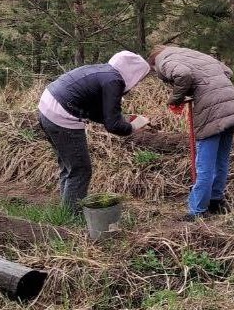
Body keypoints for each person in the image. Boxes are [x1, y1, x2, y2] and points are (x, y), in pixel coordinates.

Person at [38, 51, 151, 212]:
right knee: (80, 170)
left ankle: (65, 211)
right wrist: (133, 126)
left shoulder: (102, 72)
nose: (137, 83)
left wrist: (123, 120)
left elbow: (98, 113)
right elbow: (113, 125)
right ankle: (72, 216)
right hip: (61, 116)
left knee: (68, 167)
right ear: (132, 73)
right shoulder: (114, 81)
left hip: (46, 109)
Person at [148, 45, 234, 220]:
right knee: (221, 159)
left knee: (204, 164)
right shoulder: (194, 55)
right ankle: (216, 201)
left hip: (211, 112)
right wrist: (203, 87)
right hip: (232, 105)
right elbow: (227, 72)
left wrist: (175, 99)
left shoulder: (164, 60)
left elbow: (184, 75)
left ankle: (198, 210)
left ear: (154, 62)